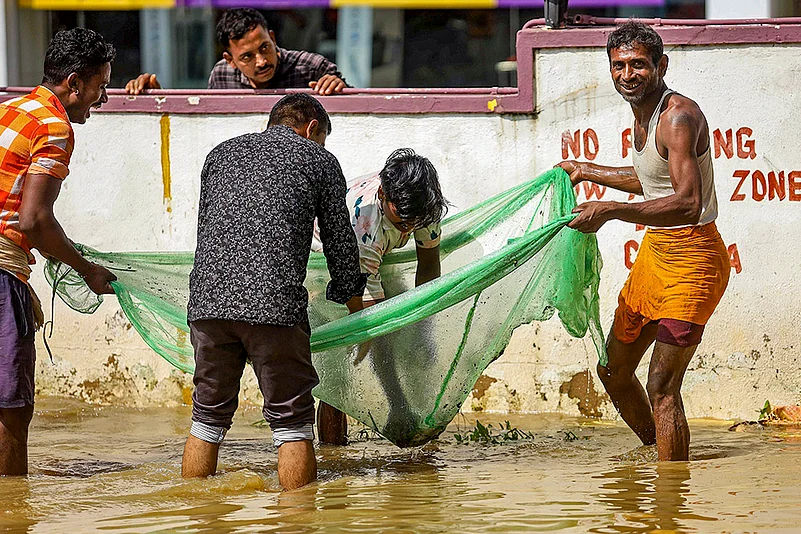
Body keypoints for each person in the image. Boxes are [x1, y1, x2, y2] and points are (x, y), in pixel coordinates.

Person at [558, 21, 729, 461]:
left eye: (638, 65)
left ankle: (670, 509)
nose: (627, 75)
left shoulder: (677, 116)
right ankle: (662, 456)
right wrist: (588, 170)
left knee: (662, 387)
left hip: (694, 260)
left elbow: (688, 203)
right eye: (618, 66)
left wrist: (611, 210)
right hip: (657, 257)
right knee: (613, 370)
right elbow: (654, 180)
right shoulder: (643, 116)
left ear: (661, 65)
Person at [183, 93, 365, 489]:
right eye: (321, 138)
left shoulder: (220, 154)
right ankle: (297, 521)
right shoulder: (318, 160)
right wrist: (355, 305)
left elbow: (208, 231)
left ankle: (195, 514)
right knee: (292, 423)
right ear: (312, 128)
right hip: (274, 307)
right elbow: (340, 244)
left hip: (206, 304)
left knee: (207, 418)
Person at [0, 28, 117, 475]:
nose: (102, 97)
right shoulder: (54, 126)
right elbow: (34, 221)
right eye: (100, 86)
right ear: (74, 83)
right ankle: (13, 511)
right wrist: (85, 268)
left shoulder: (10, 108)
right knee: (11, 405)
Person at [313, 149, 448, 445]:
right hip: (326, 266)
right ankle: (334, 452)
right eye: (402, 220)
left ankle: (400, 412)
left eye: (415, 221)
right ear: (384, 195)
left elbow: (428, 267)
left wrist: (424, 327)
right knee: (338, 369)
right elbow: (370, 312)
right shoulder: (365, 220)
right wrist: (364, 337)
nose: (410, 228)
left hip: (373, 263)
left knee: (395, 340)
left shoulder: (422, 204)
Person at [126, 8, 347, 96]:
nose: (261, 62)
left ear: (273, 38)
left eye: (264, 48)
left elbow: (357, 117)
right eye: (247, 56)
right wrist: (155, 97)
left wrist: (339, 89)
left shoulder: (312, 67)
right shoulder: (222, 76)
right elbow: (208, 123)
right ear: (230, 61)